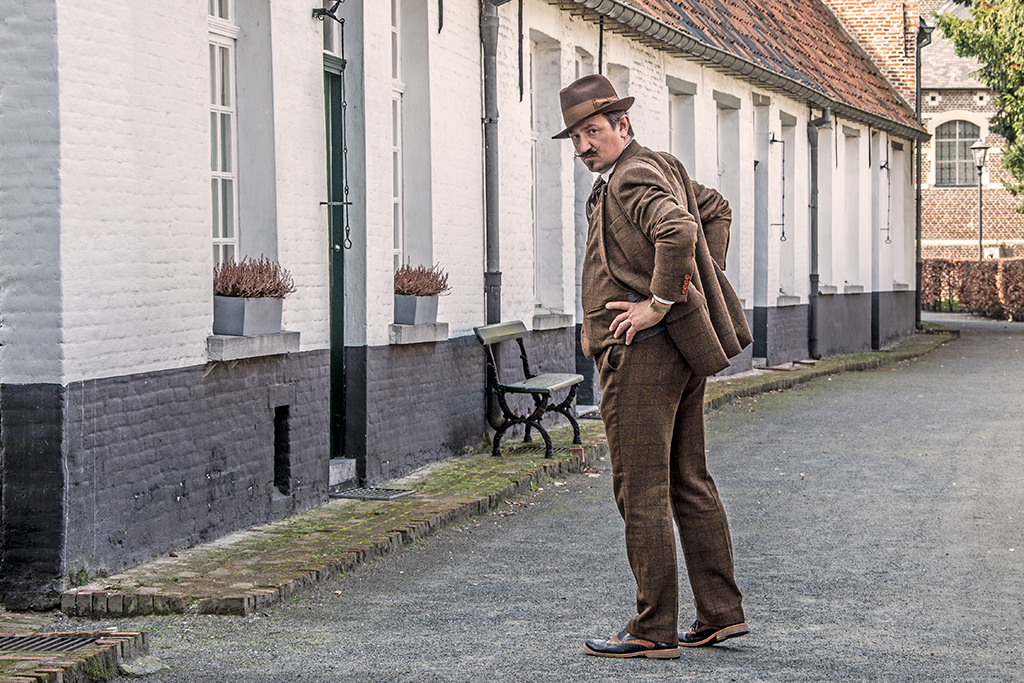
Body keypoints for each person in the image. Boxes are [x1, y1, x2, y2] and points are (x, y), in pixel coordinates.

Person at [552, 74, 753, 659]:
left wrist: (661, 301)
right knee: (688, 479)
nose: (586, 145)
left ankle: (651, 627)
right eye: (577, 136)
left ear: (623, 126)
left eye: (595, 131)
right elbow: (716, 211)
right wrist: (696, 284)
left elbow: (679, 228)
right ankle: (719, 614)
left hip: (642, 354)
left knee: (640, 488)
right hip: (678, 350)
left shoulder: (634, 175)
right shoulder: (659, 165)